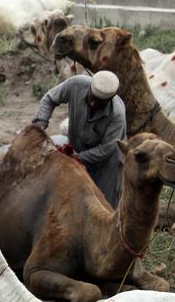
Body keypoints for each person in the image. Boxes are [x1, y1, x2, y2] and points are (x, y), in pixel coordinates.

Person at [33, 70, 128, 207]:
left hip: (105, 164)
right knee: (73, 199)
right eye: (92, 98)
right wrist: (40, 124)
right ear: (90, 88)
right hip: (77, 148)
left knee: (103, 205)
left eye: (99, 102)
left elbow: (105, 150)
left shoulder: (117, 115)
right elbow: (50, 99)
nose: (94, 104)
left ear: (109, 100)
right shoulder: (76, 84)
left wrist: (75, 158)